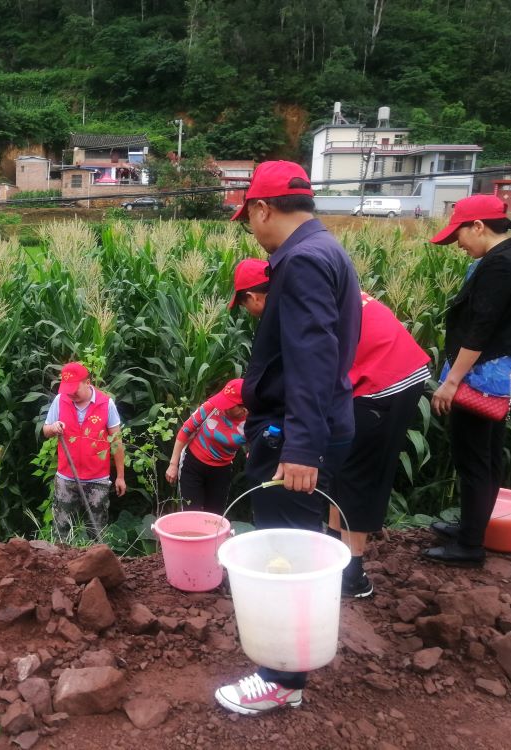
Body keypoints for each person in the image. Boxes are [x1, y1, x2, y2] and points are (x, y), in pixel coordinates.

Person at [215, 161, 361, 716]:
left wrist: (301, 447)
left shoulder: (300, 261)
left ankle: (280, 677)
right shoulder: (325, 249)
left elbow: (312, 357)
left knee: (285, 550)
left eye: (248, 216)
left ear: (262, 208)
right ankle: (289, 667)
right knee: (293, 542)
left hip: (290, 435)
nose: (251, 228)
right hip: (309, 426)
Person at [231, 258, 431, 598]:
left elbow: (307, 379)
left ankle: (350, 575)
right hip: (376, 372)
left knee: (359, 476)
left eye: (245, 305)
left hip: (387, 381)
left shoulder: (297, 307)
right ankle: (334, 557)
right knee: (338, 471)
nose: (250, 313)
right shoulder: (309, 289)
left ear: (254, 297)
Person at [425, 195, 511, 565]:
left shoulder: (499, 265)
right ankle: (473, 528)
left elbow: (480, 330)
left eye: (461, 235)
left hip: (481, 376)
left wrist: (451, 381)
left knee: (473, 460)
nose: (460, 245)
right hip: (499, 374)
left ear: (479, 226)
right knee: (487, 457)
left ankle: (469, 546)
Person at [40, 362, 126, 541]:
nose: (71, 394)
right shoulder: (60, 400)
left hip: (97, 480)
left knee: (97, 532)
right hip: (66, 478)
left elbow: (117, 443)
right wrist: (53, 428)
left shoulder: (106, 404)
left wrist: (120, 476)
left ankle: (96, 566)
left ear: (88, 382)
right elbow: (45, 430)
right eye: (67, 389)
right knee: (61, 532)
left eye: (75, 389)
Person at [164, 379, 247, 514]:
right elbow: (185, 430)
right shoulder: (212, 407)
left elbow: (256, 447)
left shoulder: (252, 422)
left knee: (213, 517)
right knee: (191, 514)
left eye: (230, 404)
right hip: (193, 465)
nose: (223, 406)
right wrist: (173, 464)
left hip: (222, 470)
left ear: (244, 407)